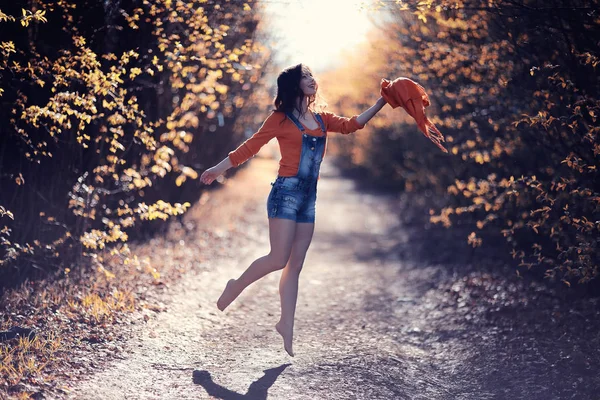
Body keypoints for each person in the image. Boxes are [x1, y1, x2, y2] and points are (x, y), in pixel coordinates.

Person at [200, 64, 386, 356]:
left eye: (312, 76)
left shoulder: (323, 120)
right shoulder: (279, 119)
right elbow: (250, 148)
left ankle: (286, 323)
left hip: (308, 199)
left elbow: (353, 124)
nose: (312, 80)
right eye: (305, 77)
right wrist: (217, 168)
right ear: (292, 85)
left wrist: (383, 101)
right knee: (278, 258)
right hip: (284, 194)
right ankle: (236, 285)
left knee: (294, 265)